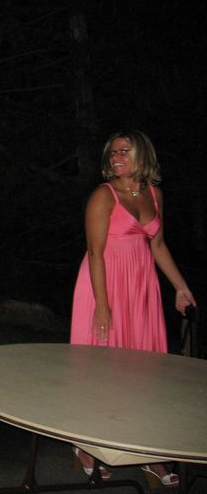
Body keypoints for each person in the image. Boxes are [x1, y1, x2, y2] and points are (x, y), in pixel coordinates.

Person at [69, 130, 196, 487]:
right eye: (112, 152)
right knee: (101, 368)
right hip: (104, 284)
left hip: (140, 286)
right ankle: (86, 446)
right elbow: (95, 253)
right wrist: (103, 306)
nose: (115, 157)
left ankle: (147, 454)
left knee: (144, 369)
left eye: (124, 151)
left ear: (143, 154)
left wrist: (180, 286)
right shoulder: (103, 195)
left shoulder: (154, 194)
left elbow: (158, 245)